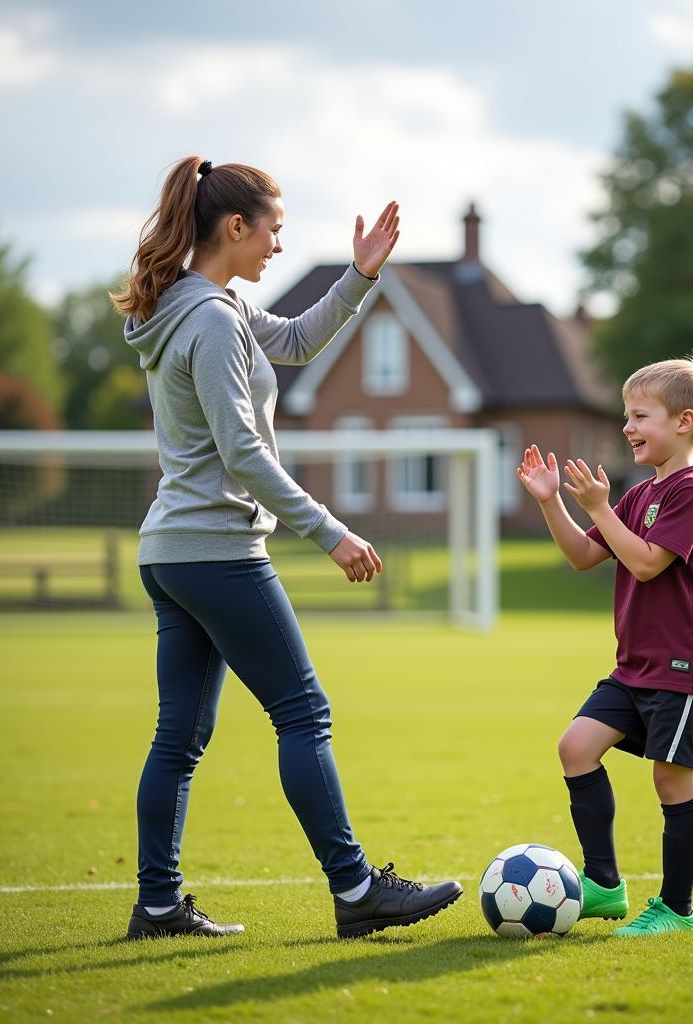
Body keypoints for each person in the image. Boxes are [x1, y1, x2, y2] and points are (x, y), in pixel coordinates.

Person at [112, 155, 462, 940]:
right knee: (304, 712)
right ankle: (356, 889)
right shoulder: (206, 318)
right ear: (235, 228)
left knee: (180, 736)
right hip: (216, 549)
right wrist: (331, 532)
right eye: (274, 230)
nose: (278, 246)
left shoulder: (210, 306)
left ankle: (159, 904)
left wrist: (359, 277)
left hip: (172, 552)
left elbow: (299, 342)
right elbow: (243, 454)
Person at [516, 353, 693, 937]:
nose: (628, 428)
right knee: (576, 748)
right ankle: (605, 886)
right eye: (626, 416)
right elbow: (584, 556)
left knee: (671, 781)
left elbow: (648, 564)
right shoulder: (639, 494)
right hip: (634, 668)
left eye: (640, 416)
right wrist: (550, 500)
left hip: (683, 669)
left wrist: (600, 507)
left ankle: (676, 910)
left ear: (683, 422)